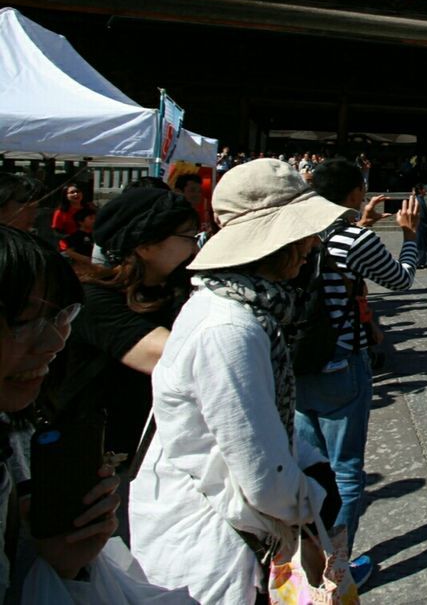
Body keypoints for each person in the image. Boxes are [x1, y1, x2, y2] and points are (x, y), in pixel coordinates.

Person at [129, 159, 348, 602]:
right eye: (303, 234)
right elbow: (263, 475)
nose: (310, 246)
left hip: (222, 518)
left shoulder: (233, 304)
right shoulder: (232, 329)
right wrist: (314, 495)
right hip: (214, 538)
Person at [47, 187, 199, 524]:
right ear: (145, 246)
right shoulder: (95, 300)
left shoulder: (180, 290)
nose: (196, 243)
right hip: (100, 466)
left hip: (155, 458)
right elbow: (173, 359)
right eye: (188, 235)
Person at [306, 159, 419, 582]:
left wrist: (362, 224)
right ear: (355, 193)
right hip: (341, 359)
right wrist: (409, 235)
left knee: (308, 464)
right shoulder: (354, 237)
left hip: (299, 363)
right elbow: (402, 280)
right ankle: (337, 568)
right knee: (345, 469)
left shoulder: (303, 233)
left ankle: (308, 558)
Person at [0, 226, 121, 597]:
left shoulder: (14, 435)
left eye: (62, 317)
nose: (53, 343)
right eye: (25, 322)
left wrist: (61, 564)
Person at [413, 183, 427, 268]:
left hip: (423, 225)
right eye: (424, 189)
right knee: (421, 243)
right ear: (420, 190)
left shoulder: (420, 199)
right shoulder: (418, 200)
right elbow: (422, 214)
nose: (425, 190)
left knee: (426, 243)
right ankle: (420, 262)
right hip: (421, 225)